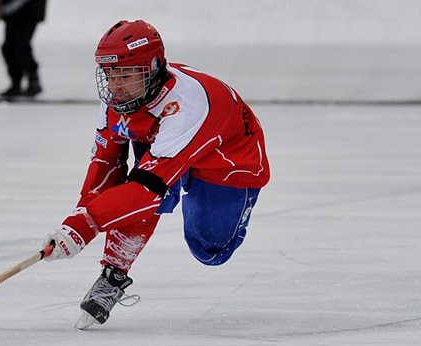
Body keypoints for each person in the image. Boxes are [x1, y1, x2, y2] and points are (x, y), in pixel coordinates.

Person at [41, 19, 270, 329]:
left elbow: (147, 190)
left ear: (152, 68)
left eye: (124, 75)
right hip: (168, 141)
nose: (114, 86)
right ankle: (113, 275)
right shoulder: (119, 99)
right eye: (109, 74)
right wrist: (80, 218)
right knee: (140, 187)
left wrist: (88, 224)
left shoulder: (186, 106)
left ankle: (208, 194)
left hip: (228, 158)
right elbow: (106, 164)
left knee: (209, 249)